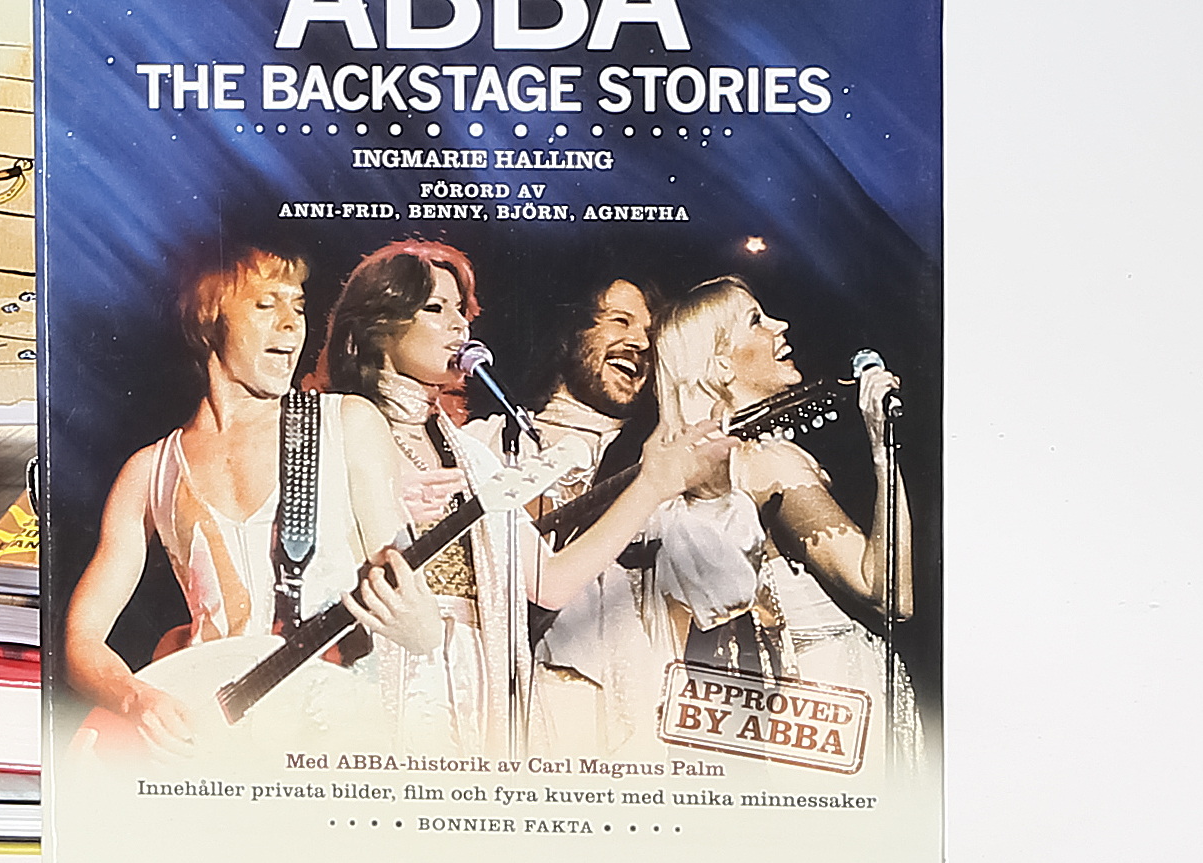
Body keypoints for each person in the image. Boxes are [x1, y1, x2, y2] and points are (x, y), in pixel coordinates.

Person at [315, 243, 722, 757]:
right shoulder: (336, 426)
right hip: (384, 679)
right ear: (376, 327)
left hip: (473, 683)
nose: (459, 325)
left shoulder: (468, 455)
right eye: (435, 309)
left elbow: (549, 582)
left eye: (461, 310)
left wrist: (655, 485)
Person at [62, 240, 440, 759]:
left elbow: (409, 601)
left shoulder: (346, 424)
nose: (291, 324)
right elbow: (81, 640)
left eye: (298, 307)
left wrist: (421, 627)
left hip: (334, 738)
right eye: (267, 304)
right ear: (209, 319)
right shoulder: (149, 471)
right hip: (211, 742)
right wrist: (136, 699)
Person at [647, 279, 913, 718]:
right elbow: (888, 593)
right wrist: (884, 450)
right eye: (756, 320)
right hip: (835, 688)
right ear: (721, 365)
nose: (780, 325)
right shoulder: (772, 464)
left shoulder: (718, 471)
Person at [522, 280, 679, 762]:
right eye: (619, 321)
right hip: (535, 707)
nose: (640, 343)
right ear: (570, 330)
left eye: (650, 333)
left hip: (638, 722)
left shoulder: (658, 456)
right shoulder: (498, 443)